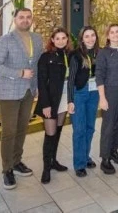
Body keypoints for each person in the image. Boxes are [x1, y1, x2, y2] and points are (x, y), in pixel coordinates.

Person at [0, 8, 43, 190]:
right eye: (21, 17)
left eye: (28, 17)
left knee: (21, 129)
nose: (25, 20)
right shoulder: (5, 40)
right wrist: (20, 73)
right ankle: (7, 170)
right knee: (9, 132)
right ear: (15, 19)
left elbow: (37, 65)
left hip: (28, 92)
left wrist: (37, 86)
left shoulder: (37, 39)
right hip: (9, 93)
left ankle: (16, 162)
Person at [35, 27, 71, 184]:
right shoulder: (45, 57)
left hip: (64, 98)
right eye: (57, 38)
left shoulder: (69, 55)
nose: (61, 41)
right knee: (50, 134)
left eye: (63, 38)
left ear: (67, 39)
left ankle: (53, 161)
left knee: (58, 132)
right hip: (50, 100)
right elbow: (41, 82)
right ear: (52, 40)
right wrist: (45, 104)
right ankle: (46, 168)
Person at [95, 24, 118, 174]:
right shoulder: (103, 53)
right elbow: (99, 76)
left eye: (117, 32)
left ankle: (114, 151)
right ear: (108, 35)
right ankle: (105, 159)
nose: (115, 34)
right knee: (108, 125)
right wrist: (102, 98)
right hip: (110, 92)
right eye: (112, 32)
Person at [67, 26, 100, 177]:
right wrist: (70, 100)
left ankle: (85, 157)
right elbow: (71, 79)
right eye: (87, 36)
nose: (90, 39)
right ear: (82, 39)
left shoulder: (99, 52)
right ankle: (79, 164)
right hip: (79, 93)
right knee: (79, 130)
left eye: (92, 35)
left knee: (90, 128)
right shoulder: (75, 55)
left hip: (94, 93)